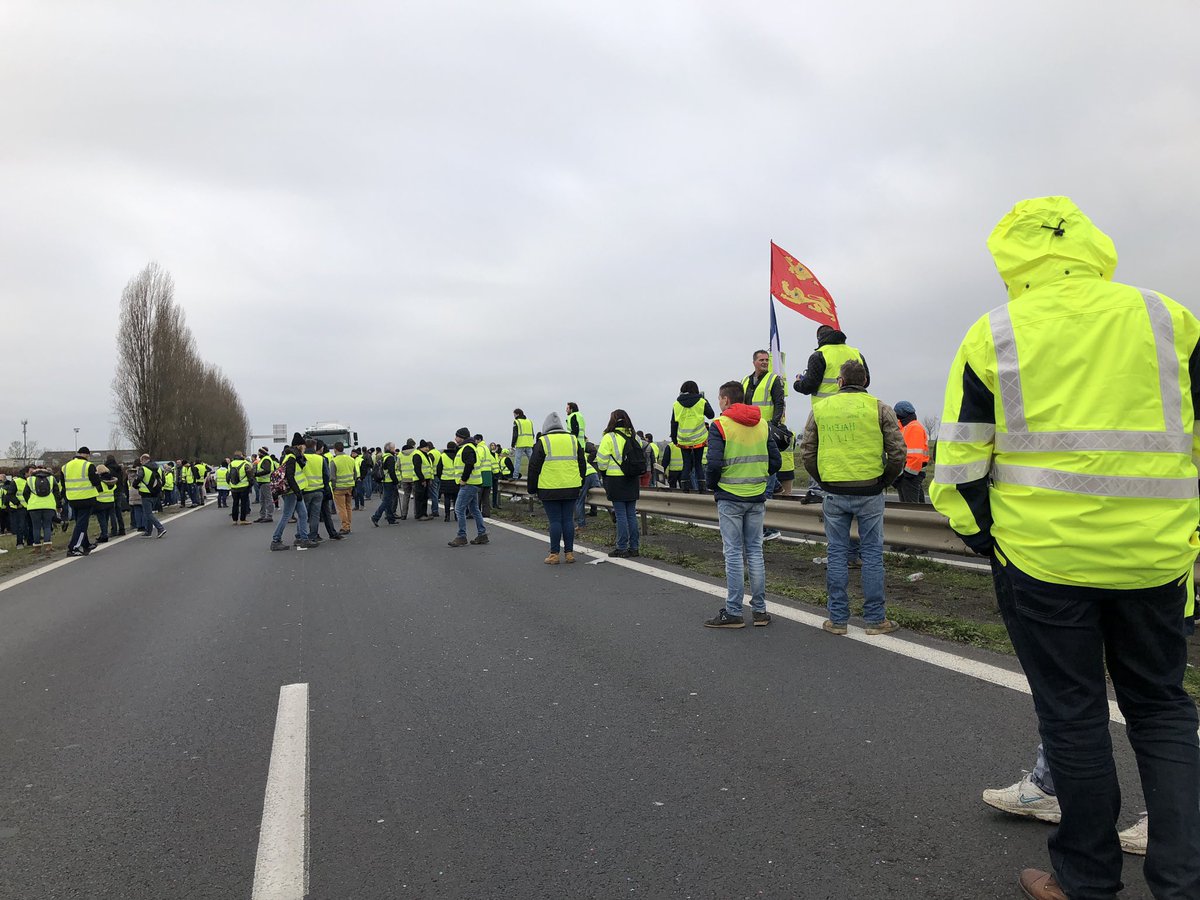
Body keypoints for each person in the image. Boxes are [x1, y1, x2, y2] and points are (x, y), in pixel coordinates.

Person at [930, 196, 1200, 900]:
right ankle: (1183, 882)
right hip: (1154, 558)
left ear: (1010, 260)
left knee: (1074, 713)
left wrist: (996, 543)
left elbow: (957, 470)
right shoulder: (1168, 319)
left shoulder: (995, 333)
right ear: (1093, 245)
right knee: (1162, 707)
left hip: (1044, 562)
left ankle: (1085, 881)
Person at [800, 359, 906, 636]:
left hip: (834, 490)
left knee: (836, 552)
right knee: (872, 554)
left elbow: (807, 452)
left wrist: (823, 479)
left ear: (841, 382)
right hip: (870, 490)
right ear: (866, 382)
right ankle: (875, 620)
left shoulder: (820, 408)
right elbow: (897, 453)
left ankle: (837, 620)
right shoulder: (881, 408)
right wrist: (886, 481)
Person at [703, 381, 781, 628]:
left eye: (719, 398)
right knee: (755, 552)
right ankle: (760, 612)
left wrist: (714, 485)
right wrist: (758, 476)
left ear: (726, 400)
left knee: (734, 554)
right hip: (756, 495)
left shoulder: (720, 425)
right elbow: (775, 461)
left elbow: (713, 464)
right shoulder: (762, 424)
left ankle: (734, 612)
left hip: (730, 496)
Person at [528, 412, 587, 564]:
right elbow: (582, 463)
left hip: (549, 488)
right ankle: (569, 554)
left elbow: (534, 467)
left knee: (555, 521)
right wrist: (579, 479)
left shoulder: (543, 441)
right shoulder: (573, 440)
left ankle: (554, 555)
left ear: (546, 427)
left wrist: (532, 488)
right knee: (568, 520)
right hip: (571, 487)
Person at [742, 353, 785, 538]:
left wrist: (773, 425)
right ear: (754, 362)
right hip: (749, 431)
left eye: (767, 360)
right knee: (757, 472)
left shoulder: (773, 379)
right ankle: (776, 487)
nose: (765, 362)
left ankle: (767, 528)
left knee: (766, 477)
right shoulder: (745, 380)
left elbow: (779, 403)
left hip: (766, 431)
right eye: (762, 360)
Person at [595, 409, 641, 557]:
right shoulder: (634, 436)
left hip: (615, 479)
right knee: (631, 515)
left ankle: (621, 547)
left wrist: (604, 472)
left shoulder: (609, 437)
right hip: (632, 479)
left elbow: (601, 461)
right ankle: (634, 547)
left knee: (621, 515)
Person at [447, 427, 488, 547]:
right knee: (474, 509)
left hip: (469, 483)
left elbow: (470, 464)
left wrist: (463, 479)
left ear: (462, 437)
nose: (455, 438)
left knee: (459, 509)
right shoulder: (468, 447)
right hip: (473, 483)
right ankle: (482, 534)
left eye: (457, 436)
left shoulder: (467, 448)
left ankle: (461, 536)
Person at [671, 381, 714, 493]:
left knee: (686, 464)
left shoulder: (676, 404)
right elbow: (711, 415)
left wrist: (674, 440)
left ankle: (685, 489)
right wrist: (705, 399)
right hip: (699, 438)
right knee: (698, 464)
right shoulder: (701, 401)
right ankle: (702, 489)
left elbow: (673, 423)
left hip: (683, 439)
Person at [271, 435, 312, 550]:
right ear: (299, 446)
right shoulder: (291, 457)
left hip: (294, 491)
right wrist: (297, 491)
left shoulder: (294, 456)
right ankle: (276, 540)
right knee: (286, 515)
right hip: (291, 492)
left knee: (303, 514)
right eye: (303, 445)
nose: (305, 447)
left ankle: (303, 539)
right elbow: (290, 476)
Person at [61, 447, 101, 557]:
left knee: (80, 521)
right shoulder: (88, 465)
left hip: (72, 498)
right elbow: (96, 482)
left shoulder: (65, 467)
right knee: (82, 524)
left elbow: (63, 484)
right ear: (87, 455)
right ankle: (73, 547)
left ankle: (86, 544)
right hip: (87, 498)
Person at [892, 401, 929, 503]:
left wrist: (907, 476)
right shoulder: (907, 427)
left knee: (909, 508)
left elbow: (915, 456)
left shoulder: (913, 427)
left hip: (910, 475)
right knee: (916, 507)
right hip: (910, 474)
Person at [23, 464, 61, 549]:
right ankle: (48, 545)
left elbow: (25, 493)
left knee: (35, 527)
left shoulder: (30, 480)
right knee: (47, 525)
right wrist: (58, 506)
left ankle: (37, 546)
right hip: (48, 506)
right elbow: (56, 493)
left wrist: (29, 502)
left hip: (34, 506)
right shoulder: (51, 479)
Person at [132, 453, 167, 538]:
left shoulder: (143, 468)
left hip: (146, 493)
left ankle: (160, 528)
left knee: (148, 514)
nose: (140, 463)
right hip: (156, 493)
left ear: (144, 460)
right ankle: (148, 531)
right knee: (148, 513)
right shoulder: (158, 468)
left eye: (141, 461)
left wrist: (135, 485)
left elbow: (139, 478)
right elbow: (163, 480)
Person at [371, 441, 400, 526]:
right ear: (390, 449)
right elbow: (391, 471)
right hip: (389, 482)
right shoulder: (390, 458)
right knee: (386, 501)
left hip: (384, 481)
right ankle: (376, 517)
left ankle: (391, 519)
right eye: (394, 448)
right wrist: (396, 481)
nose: (394, 449)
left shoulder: (384, 456)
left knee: (388, 501)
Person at [330, 442, 356, 534]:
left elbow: (332, 477)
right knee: (348, 506)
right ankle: (348, 525)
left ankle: (345, 527)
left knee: (341, 508)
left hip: (339, 487)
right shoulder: (351, 459)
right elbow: (355, 473)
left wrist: (333, 487)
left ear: (335, 449)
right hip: (349, 486)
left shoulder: (334, 461)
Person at [575, 442, 601, 529]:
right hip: (593, 472)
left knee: (579, 500)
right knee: (602, 497)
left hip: (584, 475)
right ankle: (612, 511)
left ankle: (581, 525)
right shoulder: (580, 449)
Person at [94, 464, 119, 542]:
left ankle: (104, 535)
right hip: (111, 502)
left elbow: (96, 490)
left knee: (102, 521)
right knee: (107, 519)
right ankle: (105, 533)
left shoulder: (99, 481)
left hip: (101, 502)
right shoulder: (112, 480)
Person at [228, 451, 252, 524]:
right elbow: (250, 476)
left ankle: (234, 520)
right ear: (241, 455)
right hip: (243, 486)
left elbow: (228, 476)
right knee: (243, 503)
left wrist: (231, 484)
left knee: (235, 503)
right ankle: (242, 519)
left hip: (234, 487)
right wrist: (250, 485)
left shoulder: (230, 464)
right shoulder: (246, 464)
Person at [253, 448, 277, 522]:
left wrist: (256, 474)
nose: (258, 454)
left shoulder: (266, 459)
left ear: (262, 453)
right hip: (263, 482)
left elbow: (267, 470)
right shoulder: (264, 459)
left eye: (259, 453)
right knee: (262, 500)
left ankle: (269, 516)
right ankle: (263, 516)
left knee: (267, 499)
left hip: (266, 482)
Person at [510, 408, 535, 479]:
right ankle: (535, 475)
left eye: (514, 414)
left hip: (520, 444)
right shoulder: (529, 421)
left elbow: (515, 434)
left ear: (517, 414)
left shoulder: (516, 422)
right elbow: (533, 434)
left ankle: (515, 476)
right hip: (529, 444)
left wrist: (512, 444)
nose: (513, 416)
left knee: (517, 461)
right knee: (532, 461)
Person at [438, 442, 459, 521]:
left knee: (447, 498)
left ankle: (447, 516)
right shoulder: (457, 455)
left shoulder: (443, 456)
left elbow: (439, 469)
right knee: (456, 499)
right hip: (456, 480)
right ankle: (456, 516)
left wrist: (441, 477)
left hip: (445, 480)